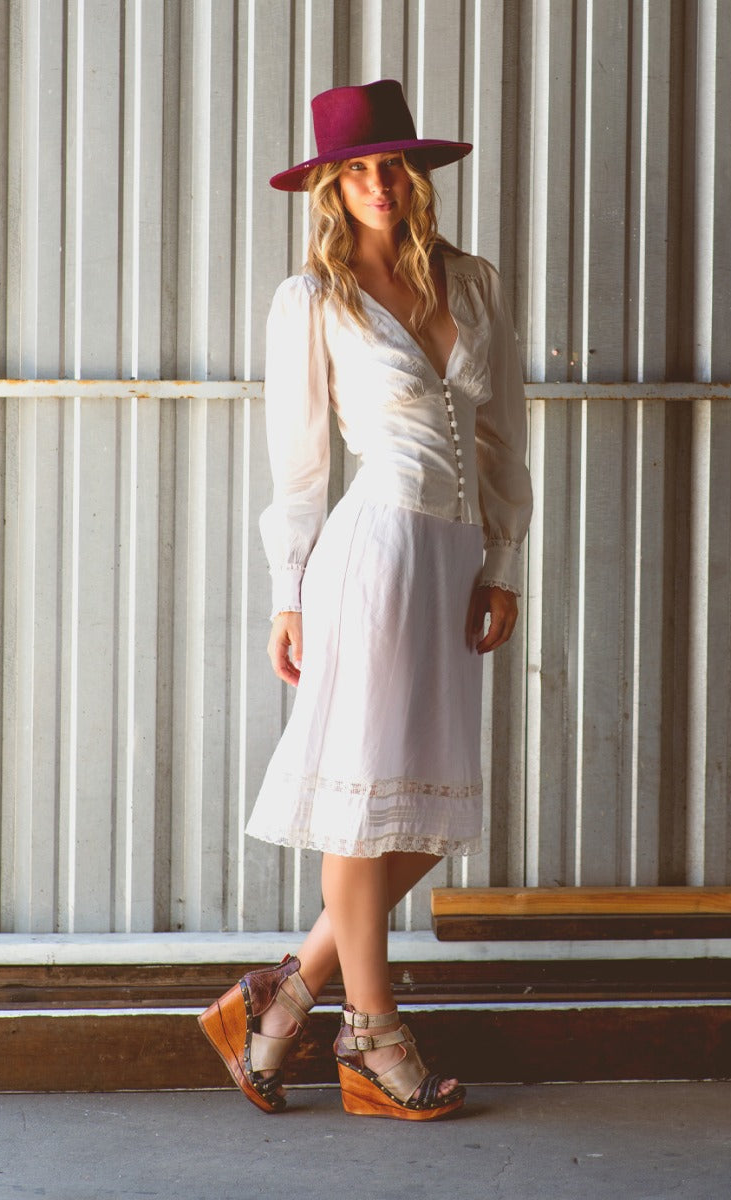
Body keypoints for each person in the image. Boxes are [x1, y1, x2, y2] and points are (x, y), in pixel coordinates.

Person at [198, 79, 531, 1121]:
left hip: (452, 559)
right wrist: (285, 595)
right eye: (357, 169)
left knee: (422, 812)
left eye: (391, 165)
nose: (378, 184)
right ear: (331, 186)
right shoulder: (311, 299)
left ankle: (284, 997)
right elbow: (297, 468)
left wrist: (503, 559)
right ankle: (371, 1040)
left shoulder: (470, 284)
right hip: (371, 556)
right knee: (362, 801)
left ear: (414, 173)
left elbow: (501, 438)